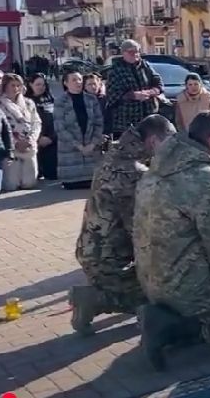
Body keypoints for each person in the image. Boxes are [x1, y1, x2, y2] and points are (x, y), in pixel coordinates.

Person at [133, 112, 210, 370]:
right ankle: (171, 326)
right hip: (186, 286)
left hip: (151, 282)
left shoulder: (155, 170)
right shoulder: (208, 180)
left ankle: (164, 316)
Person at [71, 114, 176, 335]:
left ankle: (102, 291)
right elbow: (140, 232)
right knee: (165, 295)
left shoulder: (117, 153)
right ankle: (94, 299)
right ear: (153, 141)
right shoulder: (132, 172)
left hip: (93, 249)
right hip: (108, 260)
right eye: (168, 143)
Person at [55, 71, 105, 190]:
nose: (78, 82)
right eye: (74, 80)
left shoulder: (91, 99)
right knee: (72, 184)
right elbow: (60, 127)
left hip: (91, 148)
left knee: (94, 182)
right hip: (70, 151)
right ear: (66, 83)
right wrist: (79, 146)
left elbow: (98, 123)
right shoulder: (60, 101)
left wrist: (92, 144)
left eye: (80, 80)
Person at [105, 40, 163, 136]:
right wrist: (133, 95)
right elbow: (112, 95)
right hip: (126, 121)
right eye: (131, 52)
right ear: (123, 53)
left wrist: (150, 92)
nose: (135, 54)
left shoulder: (145, 66)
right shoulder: (115, 70)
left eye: (137, 51)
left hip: (148, 117)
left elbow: (158, 83)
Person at [0, 73, 42, 191]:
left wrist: (31, 139)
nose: (16, 88)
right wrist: (15, 142)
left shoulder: (29, 103)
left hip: (28, 146)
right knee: (11, 186)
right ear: (5, 86)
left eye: (18, 85)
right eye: (13, 85)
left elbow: (36, 122)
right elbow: (0, 128)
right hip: (11, 148)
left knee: (29, 183)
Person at [26, 73, 57, 180]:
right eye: (38, 84)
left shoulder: (51, 100)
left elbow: (57, 120)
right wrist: (38, 138)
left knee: (51, 174)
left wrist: (51, 138)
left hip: (51, 140)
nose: (41, 87)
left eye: (43, 85)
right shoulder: (26, 101)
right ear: (31, 84)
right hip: (34, 141)